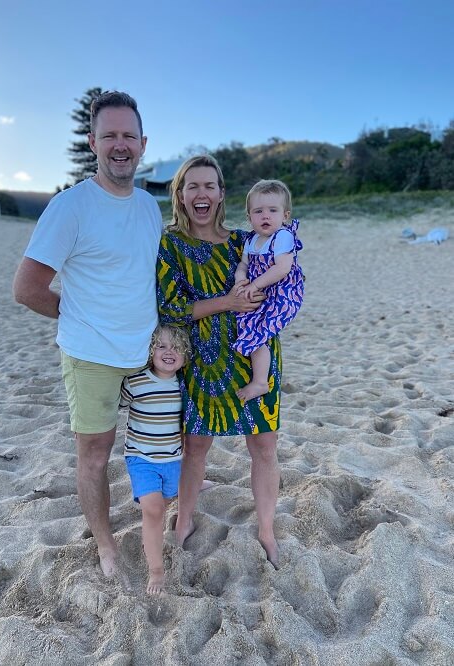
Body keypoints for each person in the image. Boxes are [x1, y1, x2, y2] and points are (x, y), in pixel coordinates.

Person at [12, 91, 163, 579]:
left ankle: (155, 515)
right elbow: (27, 289)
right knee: (95, 455)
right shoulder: (70, 206)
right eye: (109, 136)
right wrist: (76, 316)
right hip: (91, 356)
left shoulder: (148, 206)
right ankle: (105, 545)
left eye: (128, 136)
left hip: (145, 351)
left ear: (143, 144)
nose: (120, 146)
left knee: (155, 441)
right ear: (92, 141)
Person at [156, 155, 282, 568]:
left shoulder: (246, 241)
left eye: (209, 185)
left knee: (263, 445)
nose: (201, 193)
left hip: (252, 352)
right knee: (195, 445)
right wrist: (229, 300)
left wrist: (262, 295)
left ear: (222, 194)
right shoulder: (171, 245)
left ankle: (266, 528)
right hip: (202, 359)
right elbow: (171, 307)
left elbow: (284, 276)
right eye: (192, 186)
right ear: (180, 194)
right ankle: (184, 520)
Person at [120, 324, 191, 595]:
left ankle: (198, 484)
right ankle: (156, 570)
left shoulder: (183, 386)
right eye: (161, 346)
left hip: (172, 459)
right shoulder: (136, 382)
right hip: (141, 458)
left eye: (176, 347)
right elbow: (116, 404)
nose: (169, 352)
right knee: (154, 511)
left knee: (165, 501)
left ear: (185, 354)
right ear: (150, 351)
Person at [233, 179, 304, 402]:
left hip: (282, 293)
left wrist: (254, 285)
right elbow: (243, 264)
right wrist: (241, 278)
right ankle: (260, 378)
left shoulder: (282, 236)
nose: (266, 216)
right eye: (258, 211)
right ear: (249, 217)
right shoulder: (252, 240)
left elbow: (282, 268)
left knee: (259, 331)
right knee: (248, 325)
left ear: (285, 216)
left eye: (273, 210)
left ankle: (261, 382)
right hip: (261, 291)